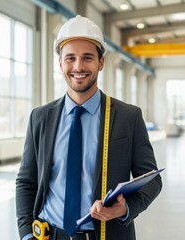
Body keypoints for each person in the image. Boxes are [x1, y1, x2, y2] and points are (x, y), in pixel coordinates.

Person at [16, 15, 162, 240]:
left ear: (100, 62)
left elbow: (151, 179)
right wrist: (26, 234)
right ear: (60, 63)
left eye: (87, 58)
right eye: (70, 58)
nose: (78, 67)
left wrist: (124, 209)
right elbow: (27, 182)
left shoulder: (127, 117)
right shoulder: (41, 118)